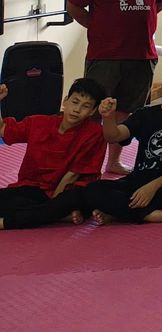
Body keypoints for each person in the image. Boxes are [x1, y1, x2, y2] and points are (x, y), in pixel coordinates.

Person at [69, 0, 162, 175]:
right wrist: (97, 27)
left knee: (126, 112)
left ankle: (113, 161)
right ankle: (85, 165)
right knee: (93, 110)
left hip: (141, 54)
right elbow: (74, 6)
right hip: (105, 54)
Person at [81, 62, 162, 224]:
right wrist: (108, 116)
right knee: (92, 190)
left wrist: (152, 187)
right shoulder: (146, 114)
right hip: (140, 179)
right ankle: (155, 215)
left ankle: (118, 212)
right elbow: (114, 136)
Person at [0, 78, 106, 230]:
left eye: (86, 106)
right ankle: (58, 215)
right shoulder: (39, 122)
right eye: (75, 102)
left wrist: (54, 204)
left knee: (71, 199)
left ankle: (7, 223)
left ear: (93, 111)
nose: (77, 109)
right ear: (65, 101)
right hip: (35, 189)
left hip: (69, 191)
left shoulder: (95, 133)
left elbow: (73, 174)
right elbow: (3, 129)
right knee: (16, 201)